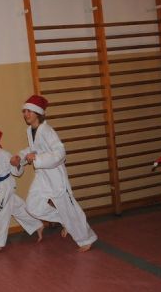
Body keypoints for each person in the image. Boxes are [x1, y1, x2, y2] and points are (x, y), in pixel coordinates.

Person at [10, 95, 97, 252]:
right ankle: (64, 220)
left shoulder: (47, 130)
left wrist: (37, 158)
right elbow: (34, 149)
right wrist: (20, 158)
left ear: (38, 113)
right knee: (32, 206)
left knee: (70, 209)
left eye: (29, 111)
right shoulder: (30, 130)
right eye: (24, 111)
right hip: (42, 177)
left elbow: (60, 153)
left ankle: (86, 238)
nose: (26, 114)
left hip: (56, 177)